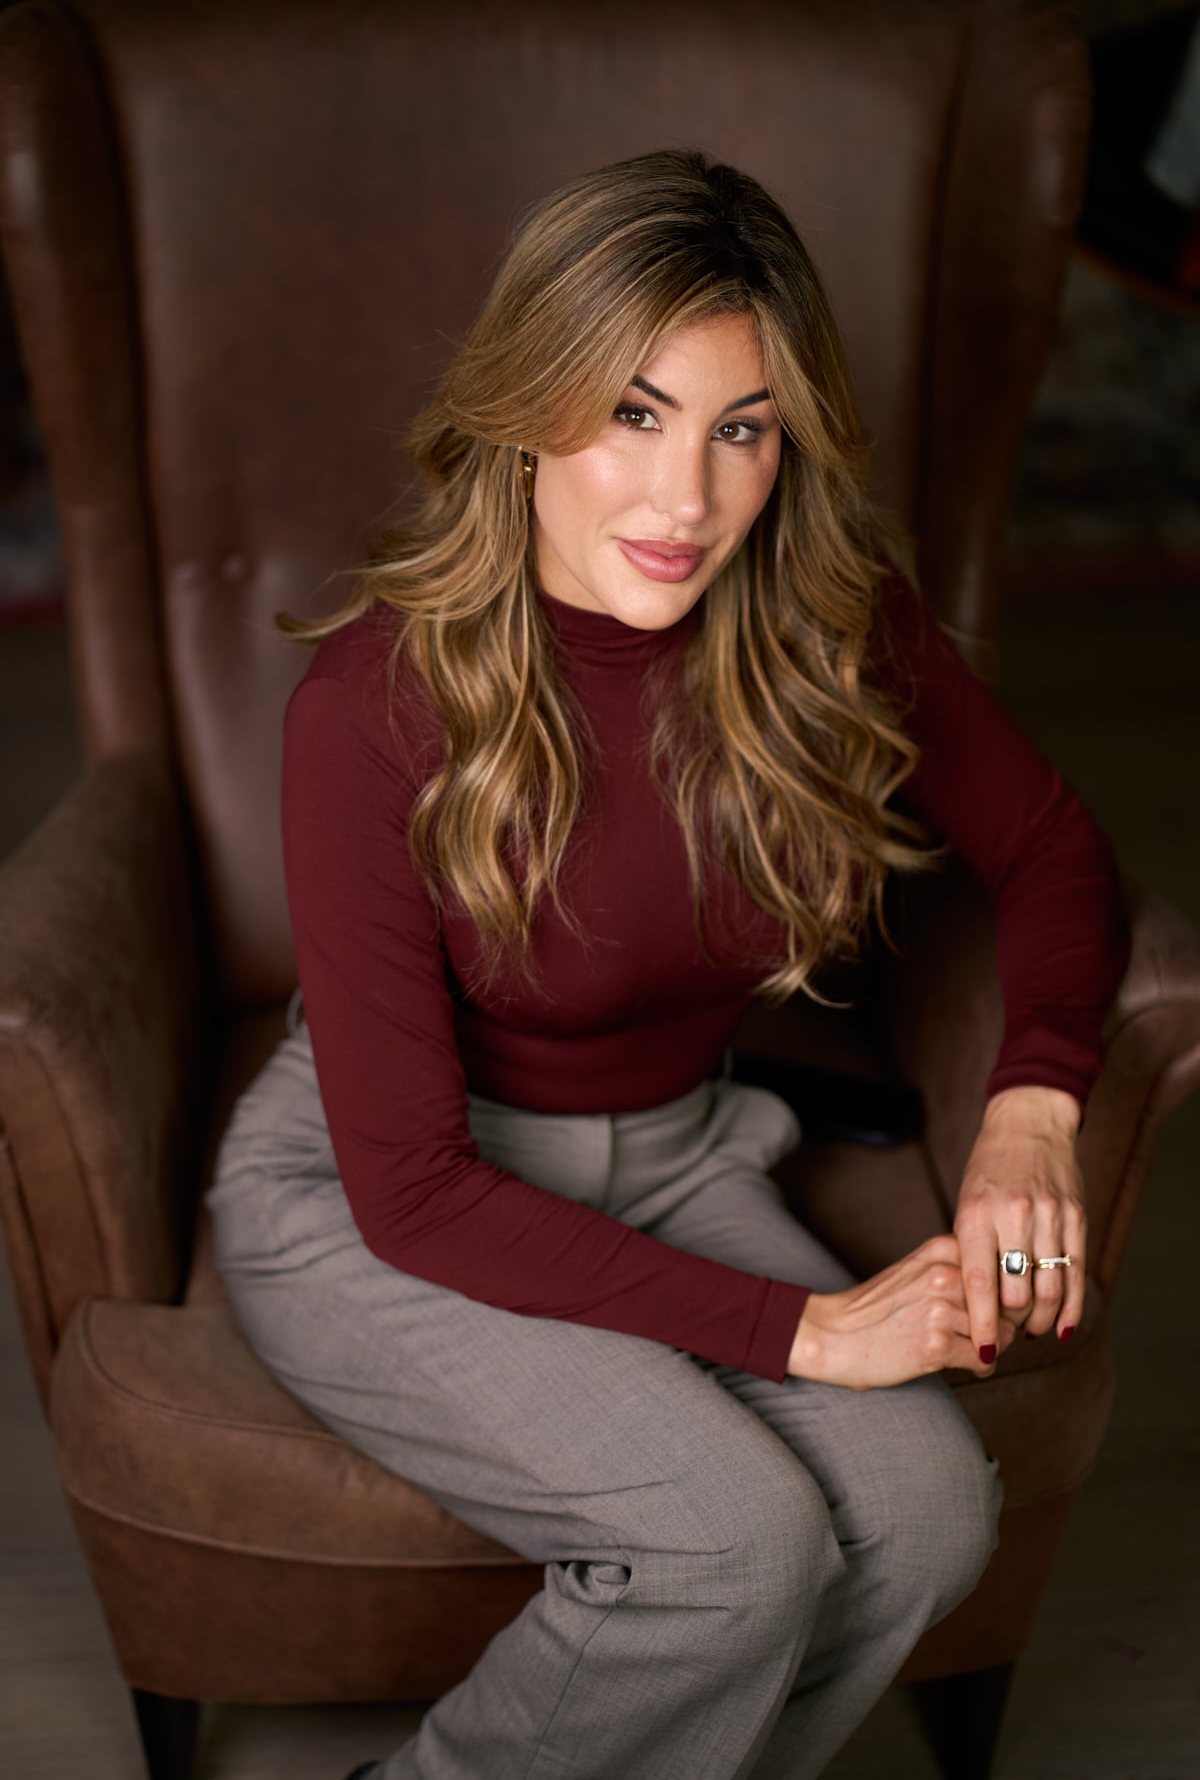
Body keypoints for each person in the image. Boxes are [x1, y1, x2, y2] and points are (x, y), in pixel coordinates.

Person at [207, 148, 1130, 1780]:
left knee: (926, 1512)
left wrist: (1033, 1109)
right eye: (634, 414)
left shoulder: (828, 629)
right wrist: (813, 1335)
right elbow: (414, 1189)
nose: (687, 501)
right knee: (731, 1545)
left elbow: (1054, 851)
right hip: (385, 1200)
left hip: (684, 1151)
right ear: (523, 407)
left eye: (740, 428)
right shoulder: (373, 708)